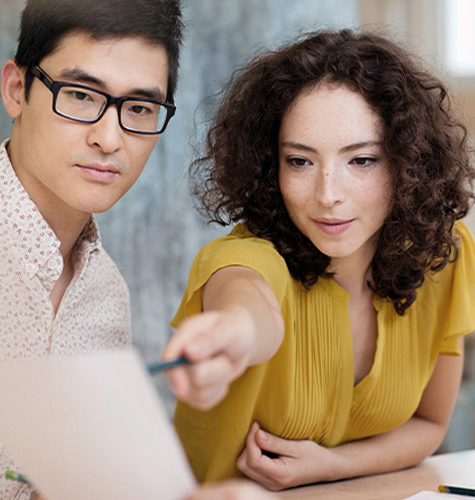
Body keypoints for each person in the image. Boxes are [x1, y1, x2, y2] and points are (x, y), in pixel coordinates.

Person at [0, 0, 272, 498]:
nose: (109, 138)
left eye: (138, 108)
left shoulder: (105, 294)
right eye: (80, 95)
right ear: (15, 90)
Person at [163, 29, 475, 490]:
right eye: (300, 162)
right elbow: (249, 306)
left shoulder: (442, 256)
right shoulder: (243, 255)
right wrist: (234, 332)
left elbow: (428, 425)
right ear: (271, 166)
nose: (328, 195)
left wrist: (330, 465)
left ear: (407, 161)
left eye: (361, 161)